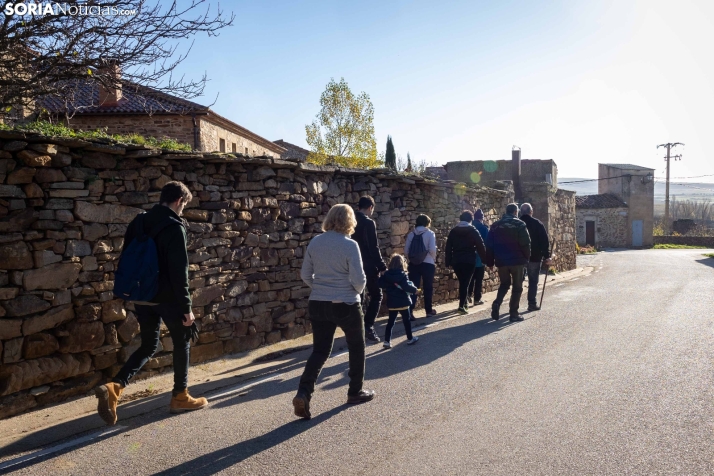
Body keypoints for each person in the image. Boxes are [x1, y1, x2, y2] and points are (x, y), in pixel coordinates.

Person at [95, 181, 206, 426]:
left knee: (148, 344)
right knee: (182, 341)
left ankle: (115, 387)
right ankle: (180, 396)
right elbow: (179, 272)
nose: (183, 211)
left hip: (141, 294)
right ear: (179, 201)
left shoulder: (140, 220)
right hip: (166, 297)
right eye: (184, 206)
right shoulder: (174, 227)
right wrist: (187, 308)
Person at [294, 204, 375, 419]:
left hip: (318, 302)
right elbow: (359, 279)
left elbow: (305, 274)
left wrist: (319, 288)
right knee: (356, 346)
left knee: (320, 351)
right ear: (350, 221)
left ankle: (303, 392)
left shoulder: (315, 242)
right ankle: (355, 391)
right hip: (346, 302)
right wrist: (355, 292)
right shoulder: (350, 245)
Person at [485, 203, 531, 322]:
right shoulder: (520, 224)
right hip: (517, 261)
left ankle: (497, 303)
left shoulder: (495, 226)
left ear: (506, 211)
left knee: (504, 284)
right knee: (517, 287)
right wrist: (527, 258)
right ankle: (513, 313)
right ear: (516, 212)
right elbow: (525, 243)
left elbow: (489, 245)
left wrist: (490, 262)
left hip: (501, 261)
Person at [351, 196, 387, 343]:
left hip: (351, 264)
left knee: (357, 296)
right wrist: (382, 266)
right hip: (368, 265)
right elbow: (373, 247)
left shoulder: (349, 221)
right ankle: (368, 326)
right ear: (370, 207)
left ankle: (355, 329)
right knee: (377, 295)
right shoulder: (368, 223)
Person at [445, 210, 488, 315]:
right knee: (465, 282)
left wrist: (448, 261)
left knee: (463, 282)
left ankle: (464, 303)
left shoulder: (454, 231)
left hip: (457, 260)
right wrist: (485, 259)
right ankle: (461, 306)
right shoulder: (473, 230)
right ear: (471, 219)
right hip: (469, 260)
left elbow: (448, 247)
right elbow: (480, 245)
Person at [378, 254, 420, 348]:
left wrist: (382, 275)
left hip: (392, 303)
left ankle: (387, 341)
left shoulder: (387, 275)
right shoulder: (403, 275)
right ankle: (410, 338)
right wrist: (415, 290)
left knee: (390, 323)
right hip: (404, 302)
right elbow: (406, 287)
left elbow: (380, 283)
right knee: (406, 322)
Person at [519, 203, 553, 311]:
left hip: (519, 258)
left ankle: (514, 306)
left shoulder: (517, 224)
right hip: (534, 257)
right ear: (531, 211)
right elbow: (544, 241)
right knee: (533, 281)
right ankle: (532, 304)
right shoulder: (537, 224)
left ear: (520, 212)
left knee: (518, 281)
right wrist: (547, 257)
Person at [404, 214, 437, 318]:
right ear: (427, 223)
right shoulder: (430, 233)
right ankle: (428, 310)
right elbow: (432, 249)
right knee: (428, 287)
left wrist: (412, 259)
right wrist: (432, 258)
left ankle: (410, 312)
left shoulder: (411, 234)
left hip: (414, 264)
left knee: (413, 287)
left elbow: (406, 251)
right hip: (428, 263)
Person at [467, 209, 489, 306]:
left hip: (469, 257)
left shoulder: (469, 227)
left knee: (470, 278)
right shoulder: (484, 229)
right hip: (480, 258)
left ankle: (467, 295)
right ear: (482, 218)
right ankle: (477, 298)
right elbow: (487, 244)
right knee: (479, 279)